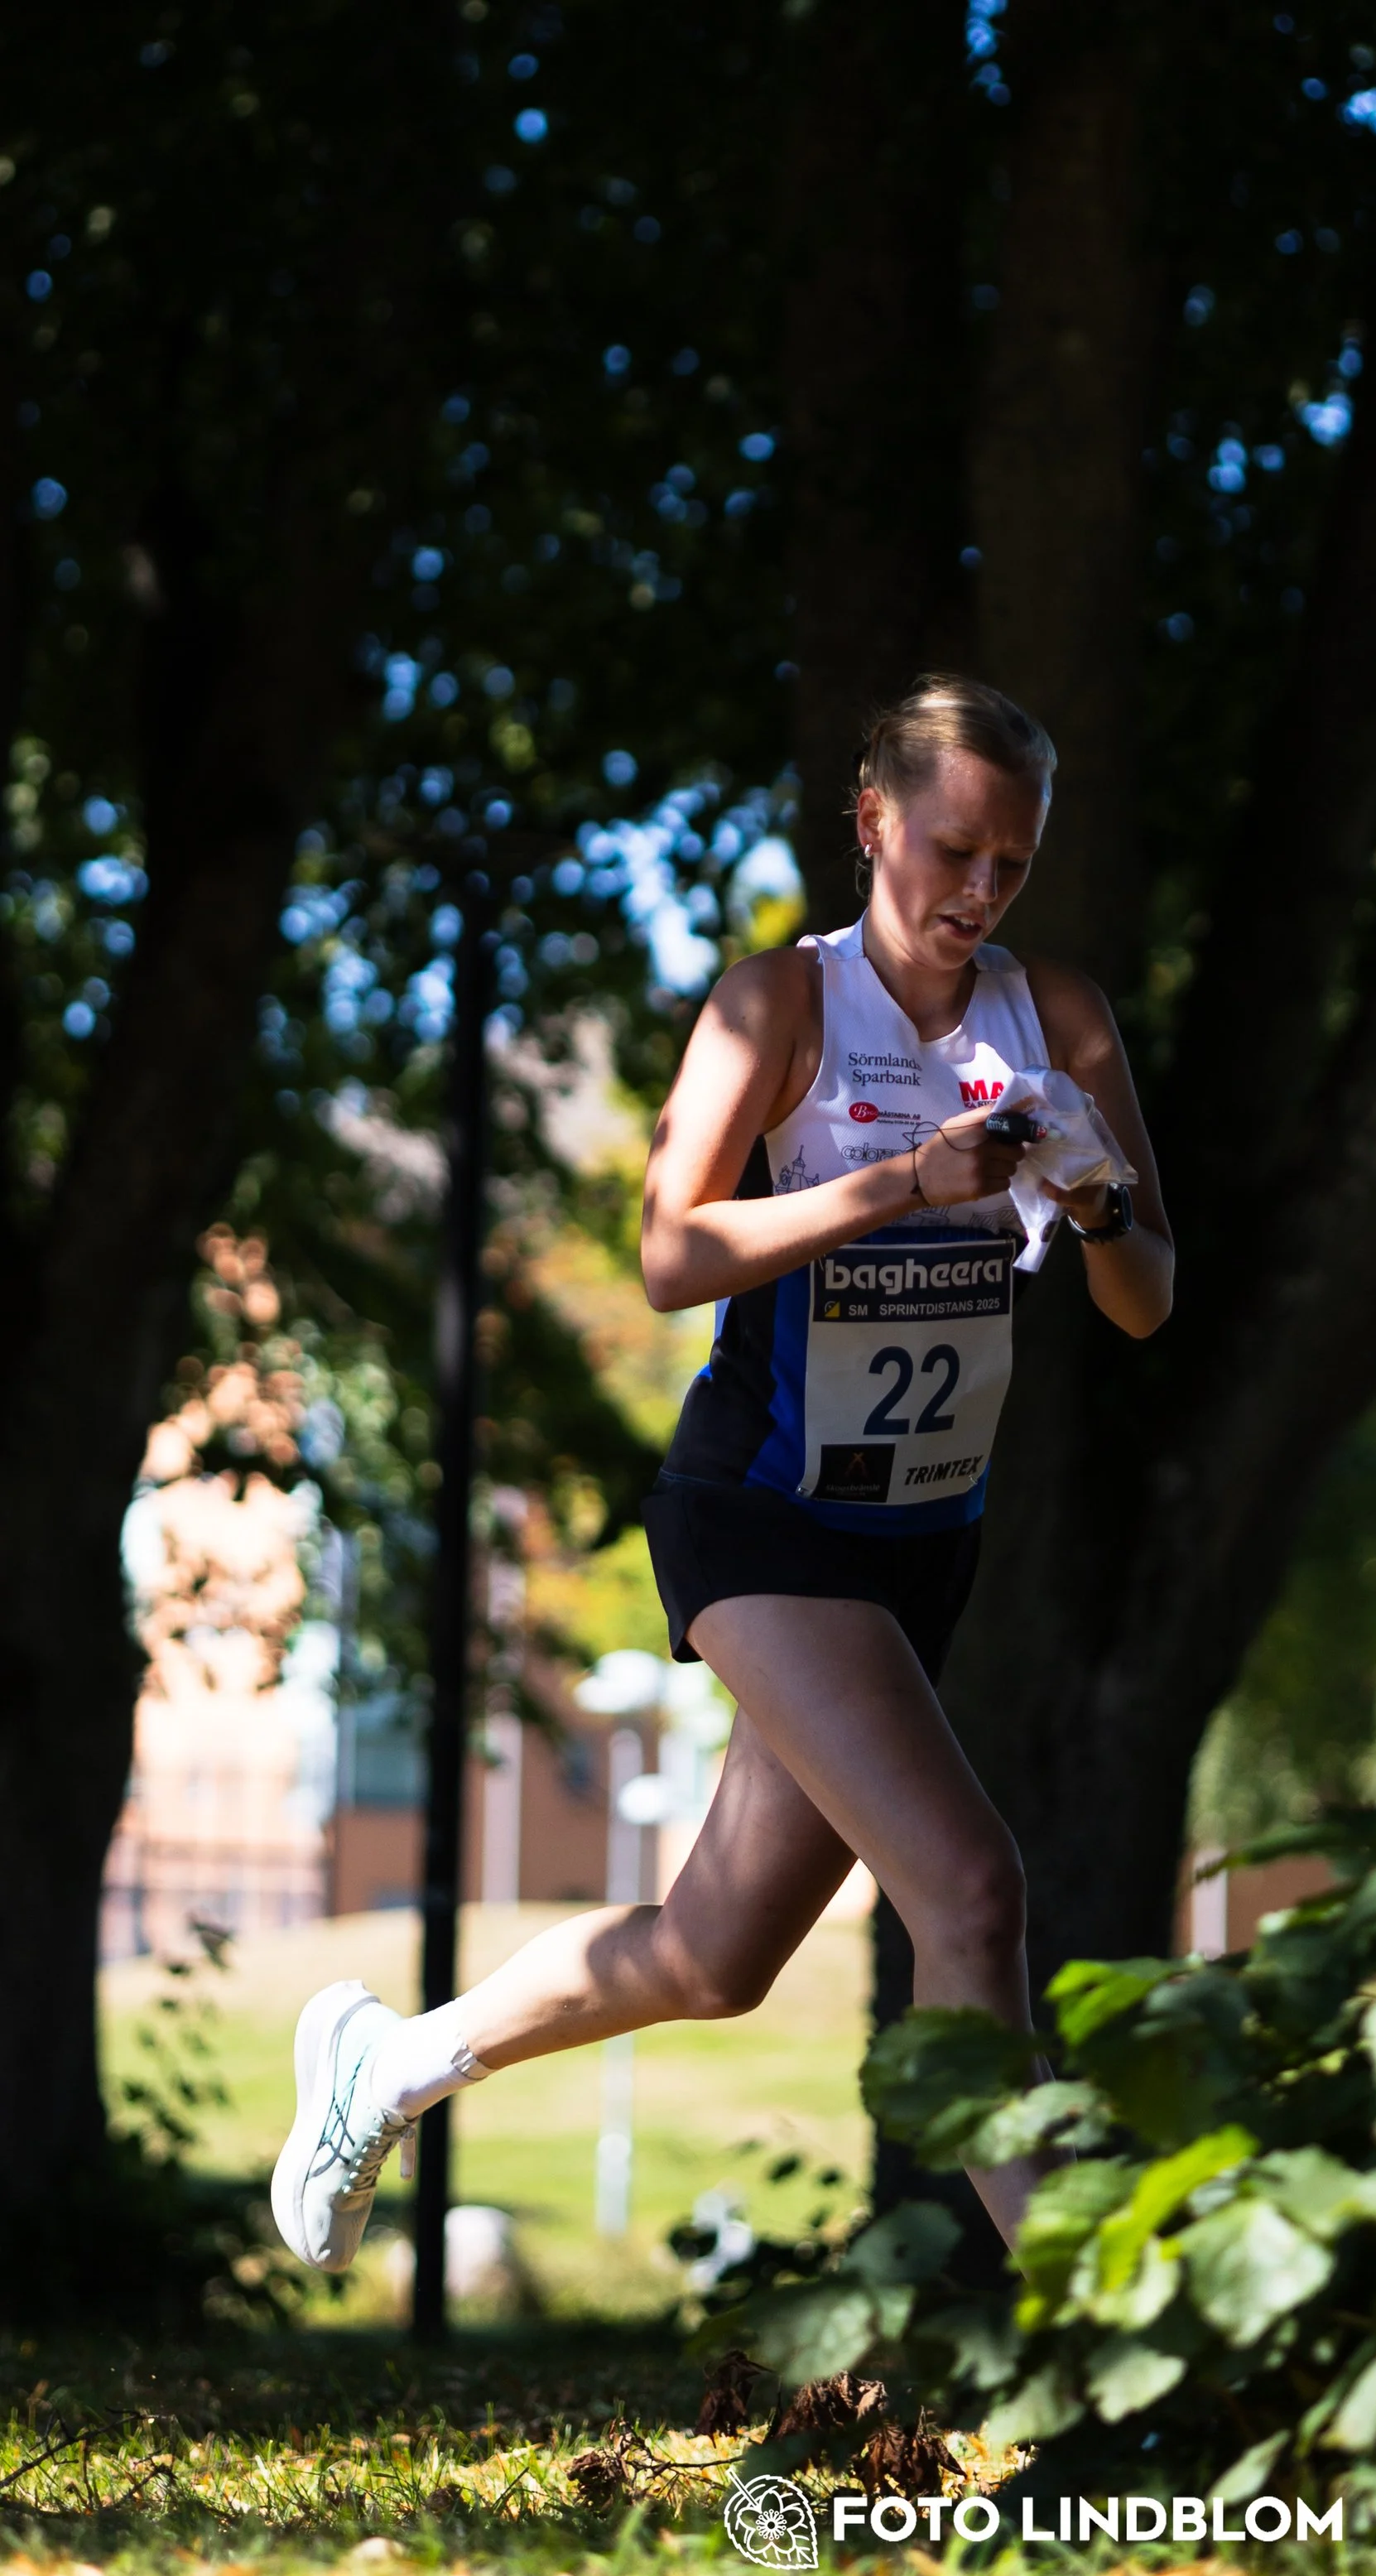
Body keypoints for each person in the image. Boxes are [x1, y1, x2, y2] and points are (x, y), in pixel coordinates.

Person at [272, 675, 1174, 2272]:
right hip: (761, 1517)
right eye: (954, 850)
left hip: (923, 1538)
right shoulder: (783, 1006)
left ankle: (391, 2065)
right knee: (971, 1893)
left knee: (715, 1951)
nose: (981, 891)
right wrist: (902, 1183)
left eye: (1014, 864)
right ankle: (1096, 2329)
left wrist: (1096, 1200)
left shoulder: (1061, 1017)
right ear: (873, 820)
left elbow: (1148, 1300)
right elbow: (671, 1255)